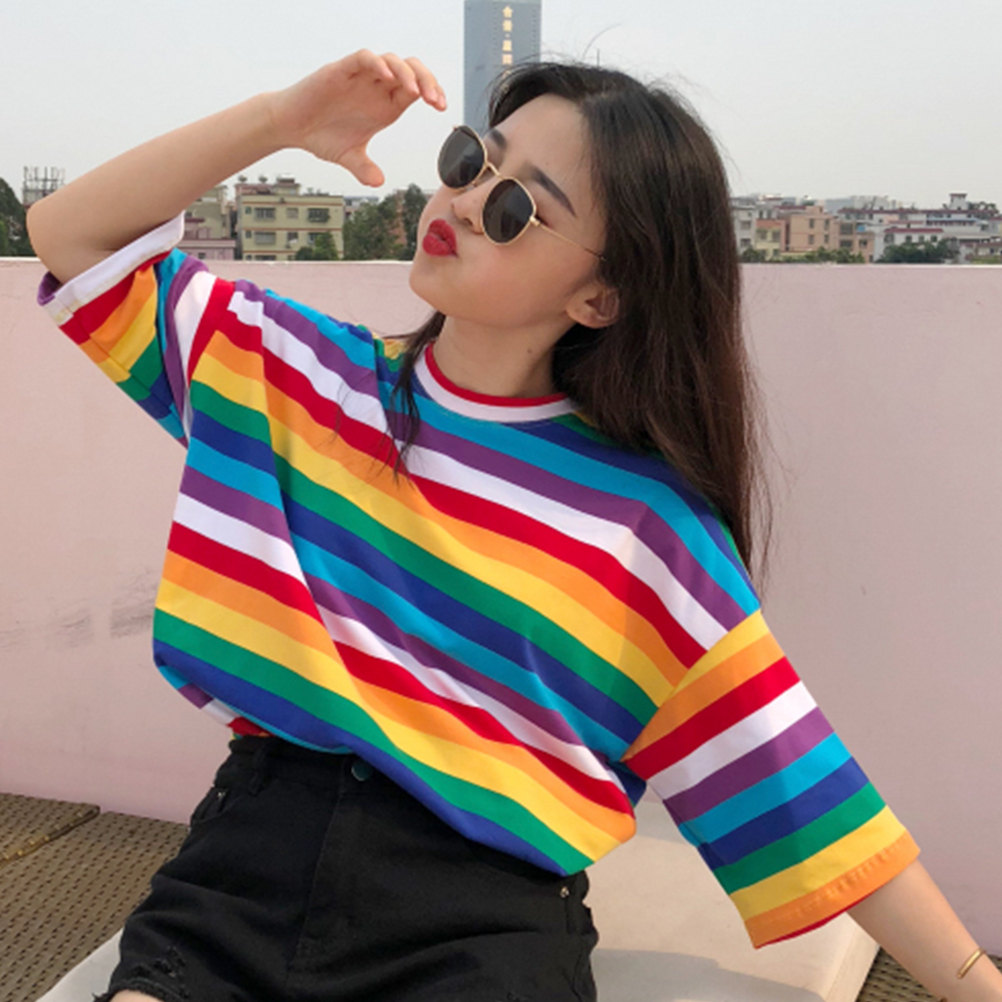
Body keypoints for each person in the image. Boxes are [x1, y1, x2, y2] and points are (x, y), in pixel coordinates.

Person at [27, 50, 1001, 1002]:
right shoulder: (292, 373)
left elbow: (811, 802)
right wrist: (281, 120)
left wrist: (976, 985)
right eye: (471, 163)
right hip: (249, 867)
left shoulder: (648, 531)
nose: (460, 203)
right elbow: (69, 234)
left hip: (480, 927)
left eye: (513, 210)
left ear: (601, 297)